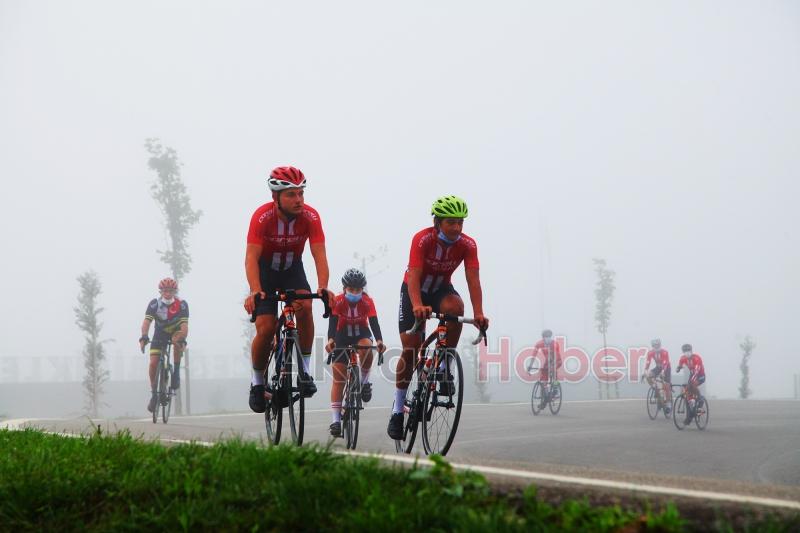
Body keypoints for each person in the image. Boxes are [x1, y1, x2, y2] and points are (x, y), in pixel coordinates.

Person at [388, 195, 489, 440]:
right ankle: (397, 410)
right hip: (414, 291)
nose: (456, 228)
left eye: (460, 222)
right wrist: (417, 305)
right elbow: (414, 275)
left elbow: (473, 278)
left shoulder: (468, 245)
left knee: (456, 307)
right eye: (451, 222)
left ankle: (444, 367)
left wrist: (478, 313)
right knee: (411, 349)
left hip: (440, 290)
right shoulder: (422, 239)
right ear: (438, 222)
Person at [243, 166, 334, 413]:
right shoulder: (262, 217)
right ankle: (257, 382)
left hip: (292, 269)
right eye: (291, 194)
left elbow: (319, 254)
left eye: (301, 193)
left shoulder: (311, 217)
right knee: (266, 328)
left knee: (305, 305)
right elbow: (251, 258)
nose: (298, 200)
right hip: (265, 272)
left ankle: (304, 370)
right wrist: (255, 290)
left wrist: (323, 287)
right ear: (276, 197)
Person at [325, 268, 386, 437]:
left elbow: (374, 322)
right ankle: (336, 420)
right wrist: (331, 340)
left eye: (358, 289)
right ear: (344, 288)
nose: (354, 293)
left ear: (362, 290)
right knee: (339, 379)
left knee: (367, 347)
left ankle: (364, 383)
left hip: (361, 333)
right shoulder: (338, 301)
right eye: (351, 289)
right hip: (342, 335)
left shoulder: (367, 301)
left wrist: (379, 340)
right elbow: (333, 322)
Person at [139, 277, 188, 413]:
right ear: (160, 292)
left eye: (170, 291)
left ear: (174, 292)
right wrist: (144, 336)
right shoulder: (154, 304)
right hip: (160, 333)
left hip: (175, 331)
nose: (167, 293)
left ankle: (176, 373)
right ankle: (154, 394)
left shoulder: (182, 305)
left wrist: (182, 338)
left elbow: (184, 326)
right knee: (153, 363)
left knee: (177, 341)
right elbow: (146, 322)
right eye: (165, 291)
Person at [676, 343, 706, 423]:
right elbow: (680, 365)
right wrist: (678, 368)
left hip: (700, 375)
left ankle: (700, 399)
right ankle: (689, 415)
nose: (687, 352)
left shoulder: (697, 358)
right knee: (687, 394)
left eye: (688, 351)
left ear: (691, 351)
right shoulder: (683, 358)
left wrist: (691, 382)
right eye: (685, 351)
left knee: (692, 384)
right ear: (683, 352)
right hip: (692, 374)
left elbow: (697, 371)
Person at [644, 338, 672, 413]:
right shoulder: (650, 353)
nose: (656, 347)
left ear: (660, 345)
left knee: (666, 385)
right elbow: (648, 361)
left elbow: (665, 362)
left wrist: (663, 371)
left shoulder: (664, 352)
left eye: (657, 345)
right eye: (654, 346)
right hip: (658, 367)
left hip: (666, 368)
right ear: (653, 346)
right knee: (648, 376)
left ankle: (668, 404)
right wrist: (646, 370)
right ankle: (655, 387)